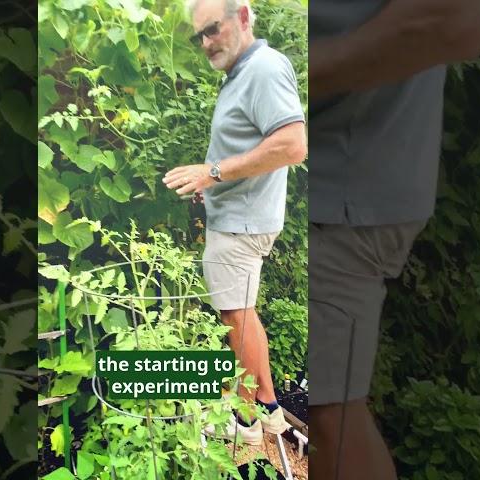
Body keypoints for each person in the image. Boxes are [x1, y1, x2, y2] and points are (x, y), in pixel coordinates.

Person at [308, 0, 480, 478]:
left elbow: (455, 22)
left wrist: (284, 74)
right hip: (309, 181)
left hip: (340, 188)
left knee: (326, 417)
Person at [163, 0, 307, 446]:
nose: (206, 42)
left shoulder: (263, 68)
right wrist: (217, 180)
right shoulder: (240, 74)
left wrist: (214, 173)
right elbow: (250, 144)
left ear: (243, 17)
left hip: (241, 226)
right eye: (199, 36)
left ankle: (245, 421)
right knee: (242, 314)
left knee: (234, 318)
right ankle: (263, 406)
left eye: (213, 29)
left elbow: (292, 145)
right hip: (239, 218)